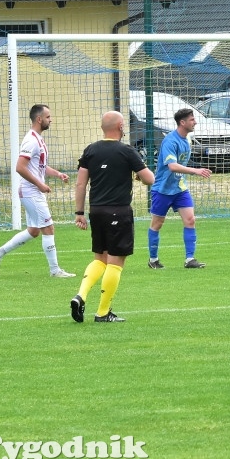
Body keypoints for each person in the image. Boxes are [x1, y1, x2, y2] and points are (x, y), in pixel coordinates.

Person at [70, 111, 155, 323]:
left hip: (96, 210)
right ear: (120, 126)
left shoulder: (90, 150)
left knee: (100, 258)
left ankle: (80, 295)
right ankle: (103, 312)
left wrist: (79, 213)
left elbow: (81, 183)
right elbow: (149, 179)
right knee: (116, 263)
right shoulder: (127, 151)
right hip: (118, 210)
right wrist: (137, 174)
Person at [0, 104, 75, 278]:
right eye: (48, 117)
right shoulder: (31, 140)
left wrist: (57, 174)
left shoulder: (38, 139)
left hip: (31, 191)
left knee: (34, 230)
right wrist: (40, 184)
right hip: (31, 192)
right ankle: (55, 270)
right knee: (48, 228)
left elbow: (39, 166)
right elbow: (20, 167)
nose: (51, 120)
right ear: (39, 119)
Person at [147, 107, 211, 270]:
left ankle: (190, 259)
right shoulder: (170, 141)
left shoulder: (187, 139)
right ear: (182, 122)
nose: (195, 122)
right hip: (162, 189)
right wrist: (195, 170)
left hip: (180, 188)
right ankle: (153, 260)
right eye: (192, 119)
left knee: (190, 220)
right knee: (157, 223)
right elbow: (172, 166)